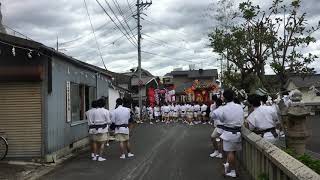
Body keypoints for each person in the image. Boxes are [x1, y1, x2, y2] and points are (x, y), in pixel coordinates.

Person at [212, 89, 244, 177]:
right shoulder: (239, 106)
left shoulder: (223, 108)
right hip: (238, 132)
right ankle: (230, 167)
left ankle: (233, 171)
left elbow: (213, 115)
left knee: (230, 152)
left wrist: (221, 116)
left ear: (224, 98)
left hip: (229, 132)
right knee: (234, 152)